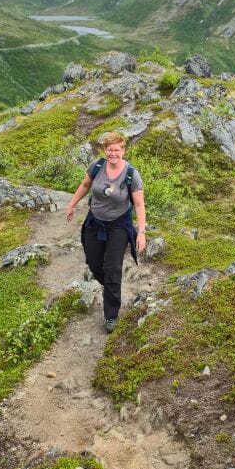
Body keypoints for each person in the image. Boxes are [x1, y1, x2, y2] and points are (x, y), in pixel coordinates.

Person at [65, 132, 146, 333]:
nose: (113, 153)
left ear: (123, 150)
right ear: (105, 150)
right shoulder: (97, 166)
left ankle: (111, 315)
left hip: (119, 226)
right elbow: (85, 185)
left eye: (117, 150)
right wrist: (72, 204)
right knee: (94, 262)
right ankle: (112, 287)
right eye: (110, 149)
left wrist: (141, 233)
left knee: (112, 267)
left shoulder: (131, 174)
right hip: (95, 222)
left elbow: (139, 205)